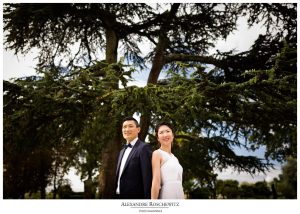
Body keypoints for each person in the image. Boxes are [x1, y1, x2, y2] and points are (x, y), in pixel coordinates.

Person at [115, 116, 152, 199]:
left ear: (138, 129)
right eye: (124, 127)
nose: (127, 129)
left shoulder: (144, 148)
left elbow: (147, 178)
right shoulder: (121, 152)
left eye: (130, 126)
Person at [151, 122, 184, 199]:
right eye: (161, 132)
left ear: (172, 136)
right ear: (158, 138)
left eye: (168, 131)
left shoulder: (175, 158)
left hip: (179, 193)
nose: (165, 135)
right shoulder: (157, 153)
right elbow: (156, 181)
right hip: (167, 194)